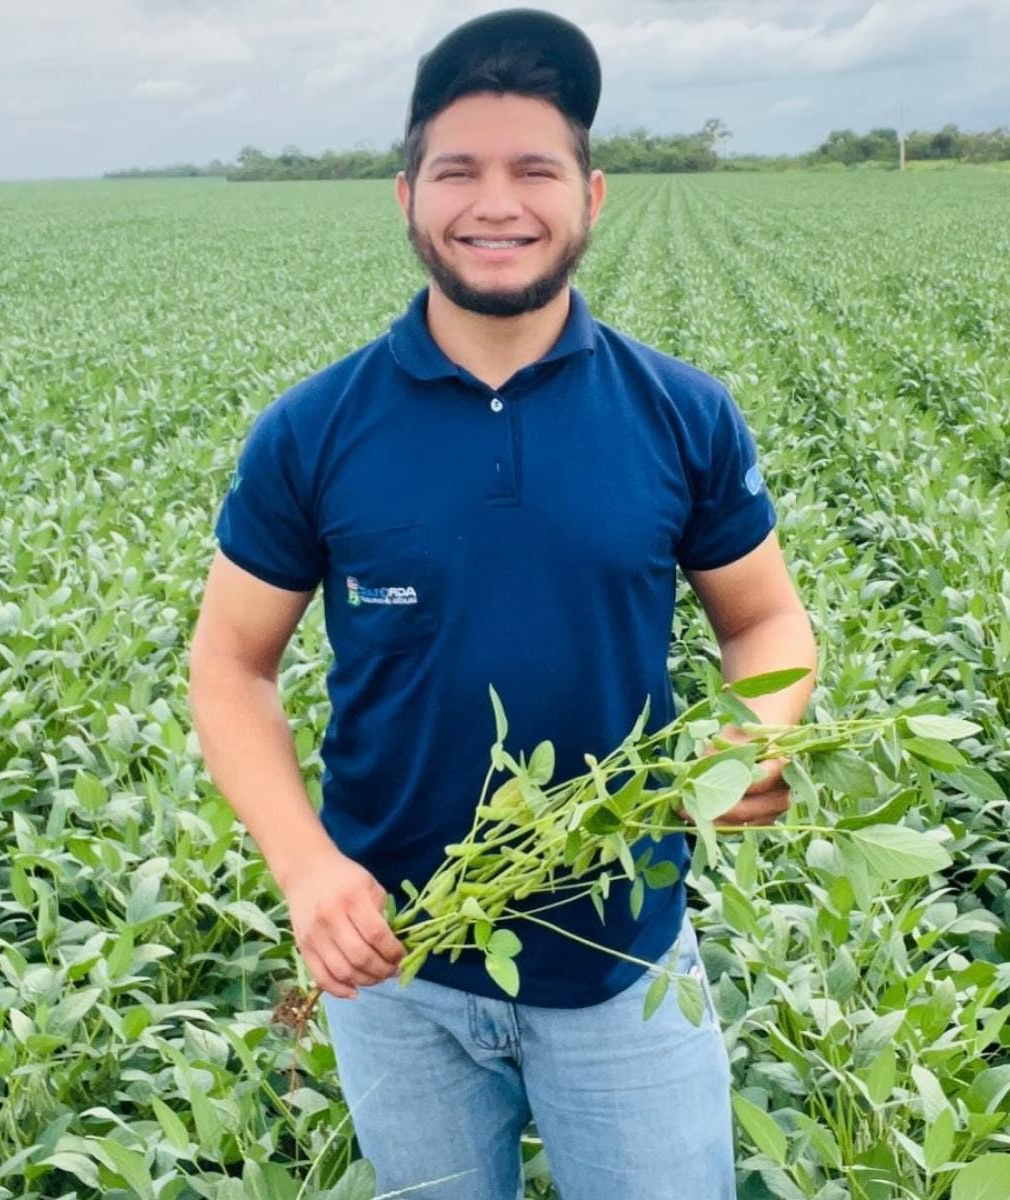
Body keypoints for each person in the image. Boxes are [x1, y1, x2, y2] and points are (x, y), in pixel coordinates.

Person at [188, 9, 816, 1198]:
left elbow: (766, 622)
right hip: (397, 971)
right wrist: (307, 869)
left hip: (622, 955)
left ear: (591, 193)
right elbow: (231, 666)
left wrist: (751, 740)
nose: (497, 202)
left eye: (534, 168)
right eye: (458, 169)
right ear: (407, 195)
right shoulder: (313, 432)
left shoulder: (680, 412)